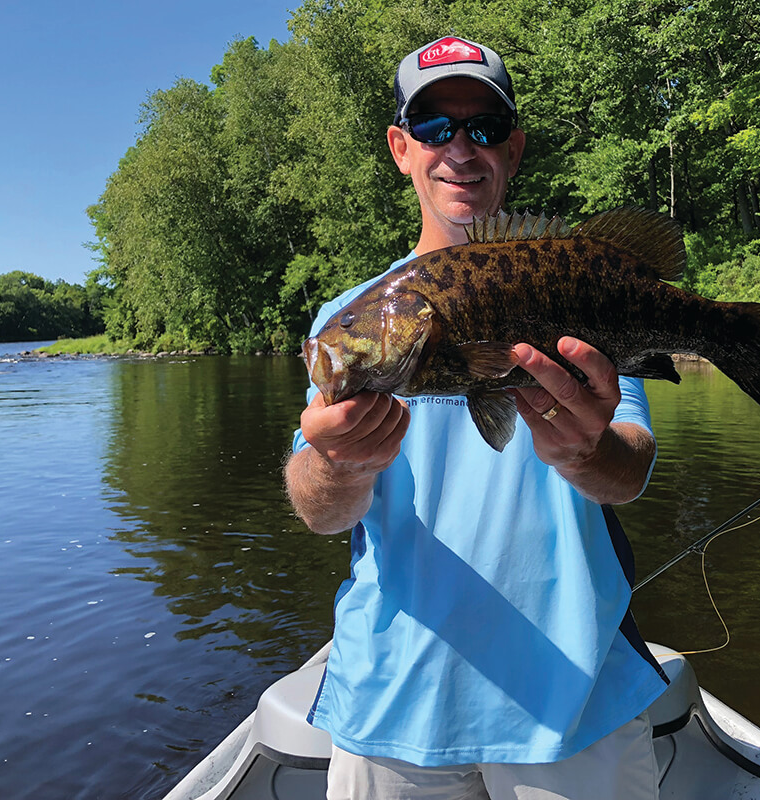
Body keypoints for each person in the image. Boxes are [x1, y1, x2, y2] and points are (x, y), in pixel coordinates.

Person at [284, 36, 669, 800]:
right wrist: (339, 463)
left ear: (513, 150)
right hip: (393, 698)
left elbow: (630, 471)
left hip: (573, 694)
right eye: (433, 128)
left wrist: (586, 453)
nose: (460, 149)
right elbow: (317, 510)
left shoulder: (571, 282)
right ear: (401, 148)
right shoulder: (349, 319)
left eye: (484, 128)